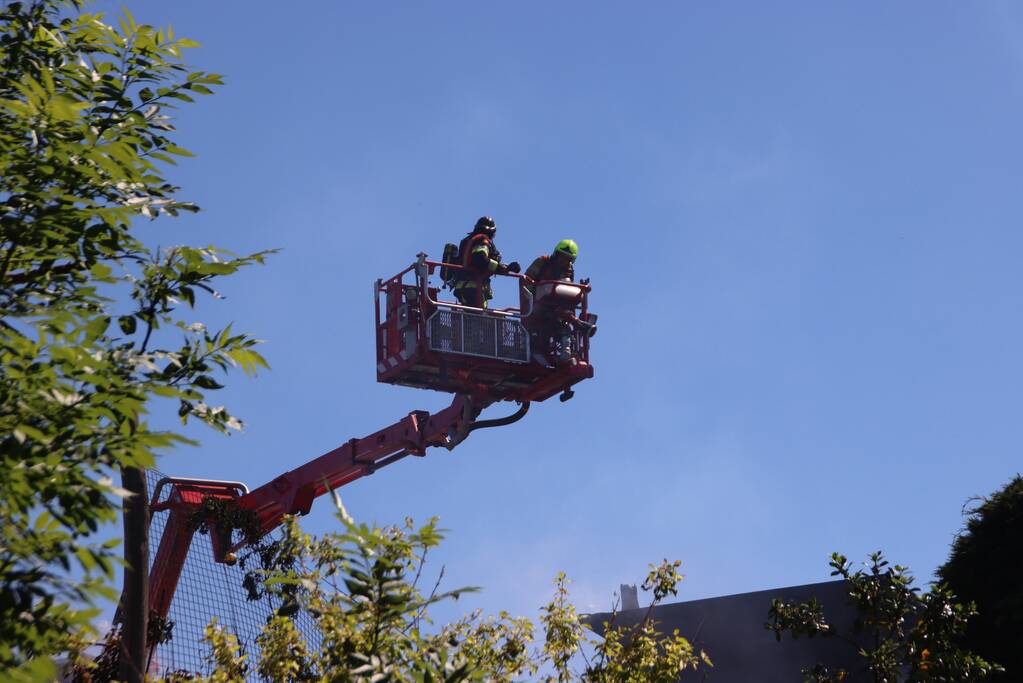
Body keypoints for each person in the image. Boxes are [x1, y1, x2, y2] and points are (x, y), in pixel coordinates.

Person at [451, 216, 519, 308]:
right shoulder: (483, 241)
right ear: (492, 232)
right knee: (480, 319)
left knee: (471, 318)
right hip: (475, 287)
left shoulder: (468, 241)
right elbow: (480, 259)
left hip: (462, 287)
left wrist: (502, 267)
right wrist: (500, 268)